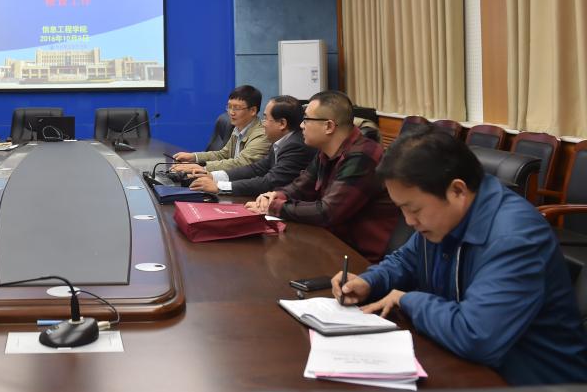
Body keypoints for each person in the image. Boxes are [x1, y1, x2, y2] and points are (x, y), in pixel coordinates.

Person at [333, 126, 587, 385]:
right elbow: (406, 261)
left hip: (534, 380)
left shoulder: (515, 238)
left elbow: (477, 336)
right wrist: (369, 282)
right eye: (402, 209)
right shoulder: (444, 218)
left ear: (457, 191)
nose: (408, 221)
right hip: (465, 363)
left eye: (414, 209)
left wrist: (408, 300)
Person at [246, 90, 397, 261]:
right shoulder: (326, 151)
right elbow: (300, 187)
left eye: (306, 120)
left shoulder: (362, 156)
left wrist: (274, 206)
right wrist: (275, 196)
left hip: (358, 258)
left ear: (329, 126)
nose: (301, 126)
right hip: (331, 243)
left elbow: (328, 212)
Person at [186, 95, 317, 197]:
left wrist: (220, 186)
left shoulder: (295, 145)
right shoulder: (281, 141)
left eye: (265, 118)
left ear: (282, 123)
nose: (263, 123)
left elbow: (270, 182)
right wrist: (212, 176)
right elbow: (256, 169)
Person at [170, 85, 270, 173]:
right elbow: (223, 154)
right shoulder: (238, 128)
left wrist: (202, 167)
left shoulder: (262, 135)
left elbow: (241, 164)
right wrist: (193, 157)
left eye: (236, 108)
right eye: (229, 107)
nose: (231, 112)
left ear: (253, 110)